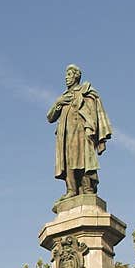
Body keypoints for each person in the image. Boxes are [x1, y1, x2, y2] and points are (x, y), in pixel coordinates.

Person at [47, 64, 113, 197]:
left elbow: (93, 112)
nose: (66, 78)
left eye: (69, 75)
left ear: (76, 76)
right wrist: (58, 102)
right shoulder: (63, 97)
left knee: (84, 159)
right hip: (65, 135)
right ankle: (71, 190)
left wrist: (91, 129)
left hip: (82, 132)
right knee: (68, 161)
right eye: (66, 75)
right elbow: (50, 117)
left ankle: (87, 188)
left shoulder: (86, 91)